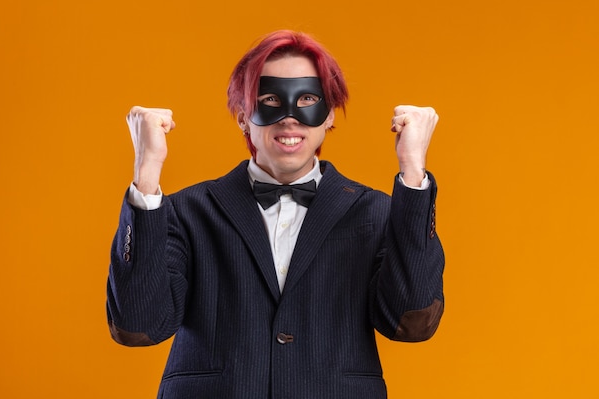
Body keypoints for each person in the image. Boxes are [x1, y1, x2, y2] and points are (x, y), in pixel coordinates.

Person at [106, 30, 445, 399]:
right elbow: (137, 325)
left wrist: (412, 171)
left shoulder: (375, 212)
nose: (289, 118)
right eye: (269, 99)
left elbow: (412, 323)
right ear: (241, 116)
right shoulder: (187, 212)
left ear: (329, 115)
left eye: (307, 100)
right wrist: (147, 172)